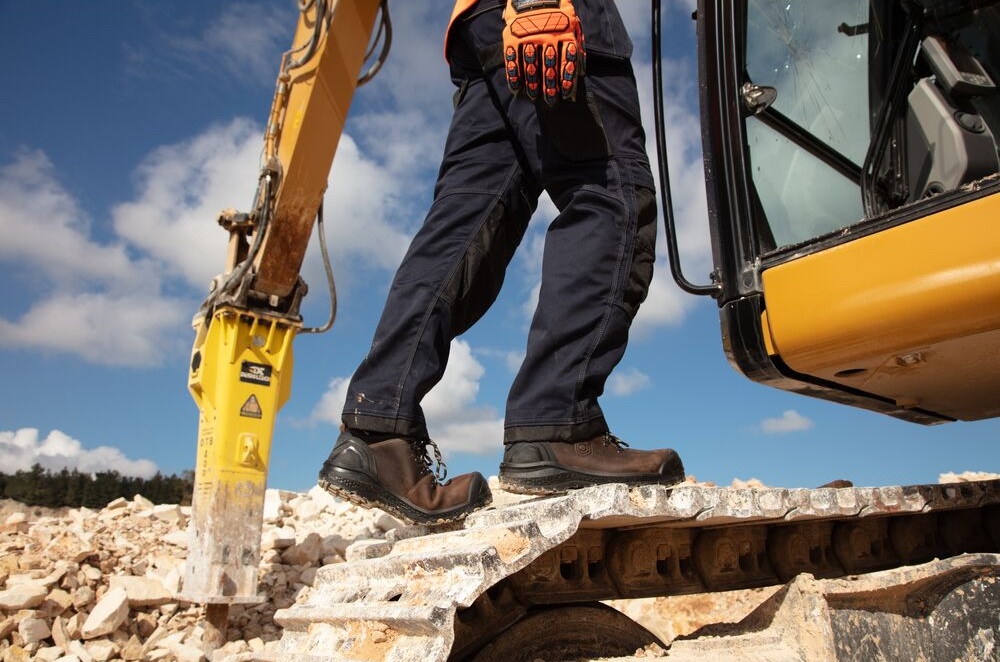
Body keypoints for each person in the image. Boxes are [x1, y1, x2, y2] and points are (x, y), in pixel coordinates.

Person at [318, 0, 685, 525]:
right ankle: (559, 423)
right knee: (610, 195)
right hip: (546, 10)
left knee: (467, 221)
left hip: (480, 27)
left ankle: (378, 432)